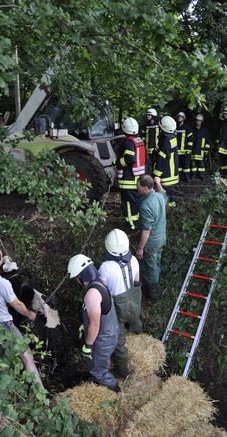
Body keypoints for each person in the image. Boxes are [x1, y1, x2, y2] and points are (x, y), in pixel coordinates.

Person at [0, 247, 44, 388]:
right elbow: (17, 305)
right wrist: (31, 314)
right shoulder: (3, 283)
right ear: (0, 263)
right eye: (1, 256)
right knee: (26, 356)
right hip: (4, 325)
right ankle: (39, 392)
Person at [67, 254, 120, 392]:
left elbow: (95, 325)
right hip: (110, 332)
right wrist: (84, 325)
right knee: (101, 364)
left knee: (98, 372)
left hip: (102, 340)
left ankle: (116, 391)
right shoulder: (100, 283)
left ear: (80, 277)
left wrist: (88, 345)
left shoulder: (92, 294)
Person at [98, 229, 142, 379]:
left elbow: (102, 291)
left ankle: (122, 372)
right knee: (136, 320)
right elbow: (136, 282)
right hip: (134, 303)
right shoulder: (134, 260)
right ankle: (139, 335)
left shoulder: (105, 268)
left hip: (118, 308)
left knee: (119, 341)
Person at [136, 175, 168, 304]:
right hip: (161, 238)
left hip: (151, 242)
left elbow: (146, 231)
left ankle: (153, 296)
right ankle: (156, 286)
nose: (137, 189)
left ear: (145, 188)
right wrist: (158, 182)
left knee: (150, 268)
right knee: (156, 262)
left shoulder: (145, 205)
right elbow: (163, 193)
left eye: (138, 187)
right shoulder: (159, 197)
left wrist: (140, 249)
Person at [114, 117, 146, 230]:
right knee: (135, 201)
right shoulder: (138, 140)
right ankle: (136, 223)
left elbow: (129, 159)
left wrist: (117, 162)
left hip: (128, 178)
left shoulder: (128, 142)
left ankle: (131, 226)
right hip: (136, 177)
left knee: (128, 203)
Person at [153, 115, 179, 207]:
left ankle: (166, 211)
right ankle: (172, 210)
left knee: (164, 194)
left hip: (166, 172)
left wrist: (157, 174)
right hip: (172, 172)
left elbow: (162, 159)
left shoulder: (165, 141)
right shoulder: (172, 138)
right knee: (171, 194)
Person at [190, 113, 211, 180]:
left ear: (202, 121)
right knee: (193, 164)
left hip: (201, 150)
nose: (198, 122)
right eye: (197, 120)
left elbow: (207, 141)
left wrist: (206, 150)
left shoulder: (204, 130)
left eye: (199, 120)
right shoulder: (192, 129)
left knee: (201, 164)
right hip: (193, 150)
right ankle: (193, 175)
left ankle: (202, 176)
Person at [176, 112, 193, 182]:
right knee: (178, 165)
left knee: (186, 165)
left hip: (185, 150)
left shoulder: (187, 127)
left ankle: (187, 178)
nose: (179, 118)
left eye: (181, 117)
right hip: (177, 151)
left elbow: (190, 139)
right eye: (179, 117)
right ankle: (179, 177)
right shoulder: (175, 127)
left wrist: (189, 149)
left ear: (184, 118)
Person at [218, 108, 227, 178]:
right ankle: (223, 175)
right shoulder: (223, 123)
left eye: (226, 114)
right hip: (222, 146)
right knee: (222, 162)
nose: (225, 115)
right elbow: (221, 134)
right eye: (224, 114)